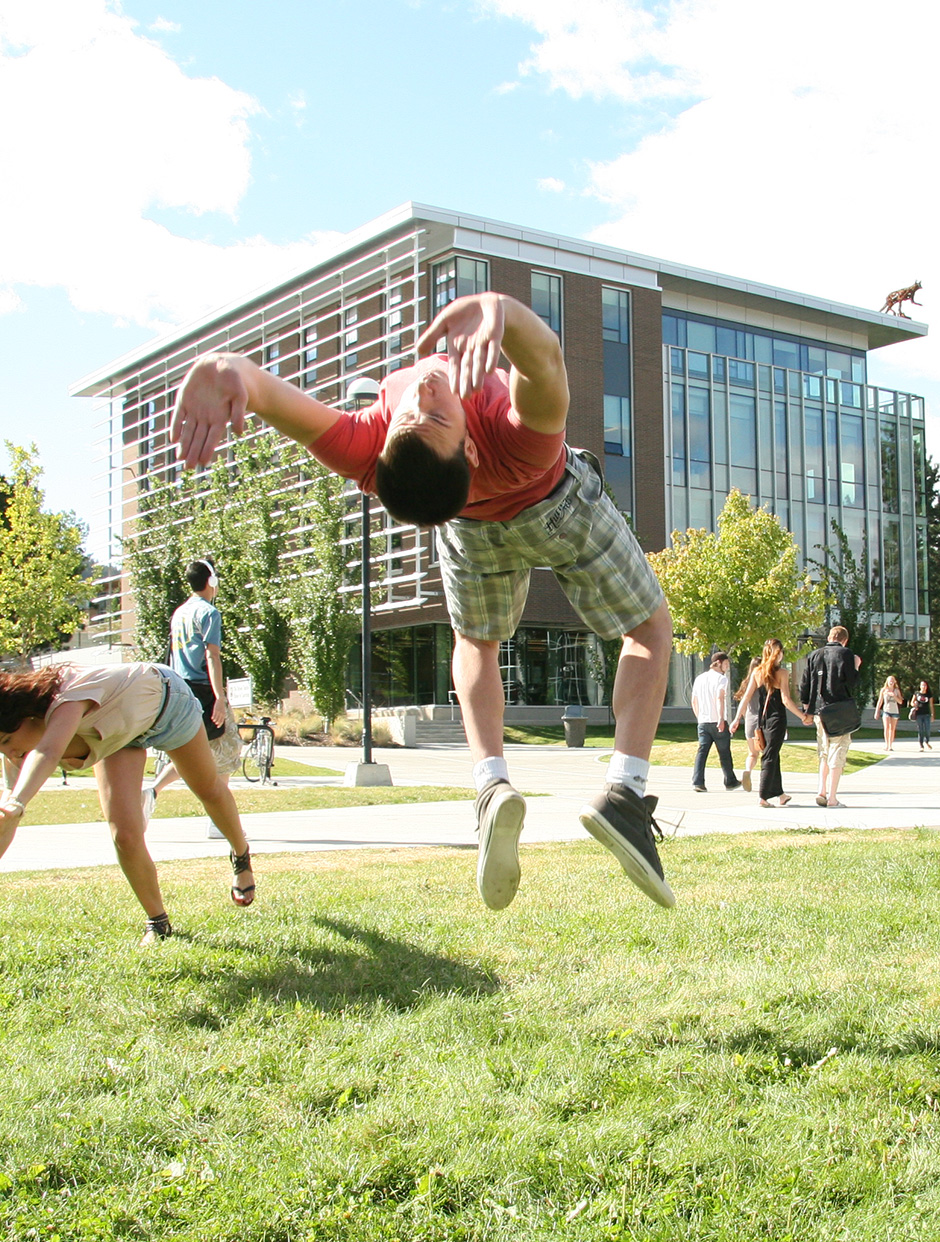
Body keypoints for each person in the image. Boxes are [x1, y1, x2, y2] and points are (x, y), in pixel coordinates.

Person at [171, 288, 676, 911]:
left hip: (467, 525)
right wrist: (504, 310)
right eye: (431, 419)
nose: (422, 398)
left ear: (380, 447)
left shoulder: (368, 448)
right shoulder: (517, 437)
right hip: (556, 503)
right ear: (467, 447)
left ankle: (489, 784)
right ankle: (624, 793)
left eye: (413, 416)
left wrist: (222, 370)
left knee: (475, 642)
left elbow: (268, 396)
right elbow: (545, 363)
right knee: (648, 627)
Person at [0, 661, 257, 945]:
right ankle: (158, 923)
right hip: (120, 737)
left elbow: (48, 750)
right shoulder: (15, 748)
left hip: (166, 705)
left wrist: (19, 803)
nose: (10, 753)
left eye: (8, 740)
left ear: (25, 715)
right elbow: (2, 826)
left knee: (208, 789)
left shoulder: (68, 697)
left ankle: (241, 855)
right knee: (125, 834)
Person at [146, 558, 230, 839]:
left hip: (182, 685)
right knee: (225, 750)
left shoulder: (179, 613)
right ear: (212, 581)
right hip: (205, 689)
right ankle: (219, 820)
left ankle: (152, 791)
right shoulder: (209, 613)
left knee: (193, 750)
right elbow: (212, 655)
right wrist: (219, 697)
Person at [732, 638, 810, 807]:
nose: (782, 655)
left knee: (773, 755)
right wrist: (803, 716)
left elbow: (746, 697)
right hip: (776, 720)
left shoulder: (757, 672)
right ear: (778, 653)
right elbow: (786, 700)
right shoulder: (782, 673)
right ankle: (763, 796)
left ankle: (780, 794)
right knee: (769, 756)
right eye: (781, 651)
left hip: (761, 720)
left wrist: (736, 719)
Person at [799, 625, 862, 807]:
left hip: (819, 710)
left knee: (823, 751)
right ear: (845, 640)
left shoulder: (813, 655)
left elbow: (805, 683)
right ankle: (833, 797)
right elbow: (852, 682)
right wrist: (856, 666)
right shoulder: (846, 654)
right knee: (838, 750)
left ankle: (821, 790)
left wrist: (807, 708)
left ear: (829, 637)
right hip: (839, 709)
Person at [690, 650, 742, 793]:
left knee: (702, 752)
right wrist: (720, 719)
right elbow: (720, 698)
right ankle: (730, 781)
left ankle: (698, 782)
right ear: (718, 663)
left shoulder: (699, 678)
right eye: (725, 664)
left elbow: (694, 701)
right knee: (724, 752)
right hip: (717, 721)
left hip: (703, 722)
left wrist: (699, 717)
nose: (727, 667)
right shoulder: (721, 679)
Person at [736, 655, 763, 791]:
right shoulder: (764, 682)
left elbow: (744, 701)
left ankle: (748, 771)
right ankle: (768, 782)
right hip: (762, 721)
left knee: (752, 753)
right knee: (767, 754)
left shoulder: (746, 683)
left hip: (749, 720)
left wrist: (738, 719)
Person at [875, 674, 904, 752]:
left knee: (892, 729)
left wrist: (894, 695)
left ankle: (890, 745)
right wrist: (877, 711)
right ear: (887, 681)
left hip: (894, 711)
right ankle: (886, 744)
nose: (891, 682)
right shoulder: (883, 690)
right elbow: (880, 701)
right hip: (886, 711)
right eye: (889, 680)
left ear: (894, 682)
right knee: (886, 728)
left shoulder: (896, 691)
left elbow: (900, 702)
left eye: (892, 680)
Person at [909, 680, 935, 750]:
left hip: (926, 714)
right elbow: (911, 702)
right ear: (920, 686)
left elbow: (931, 705)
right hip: (918, 714)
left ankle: (927, 741)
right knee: (920, 730)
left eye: (925, 685)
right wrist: (914, 704)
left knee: (927, 729)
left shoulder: (929, 695)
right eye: (922, 685)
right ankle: (921, 745)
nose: (924, 687)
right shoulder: (916, 694)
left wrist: (932, 715)